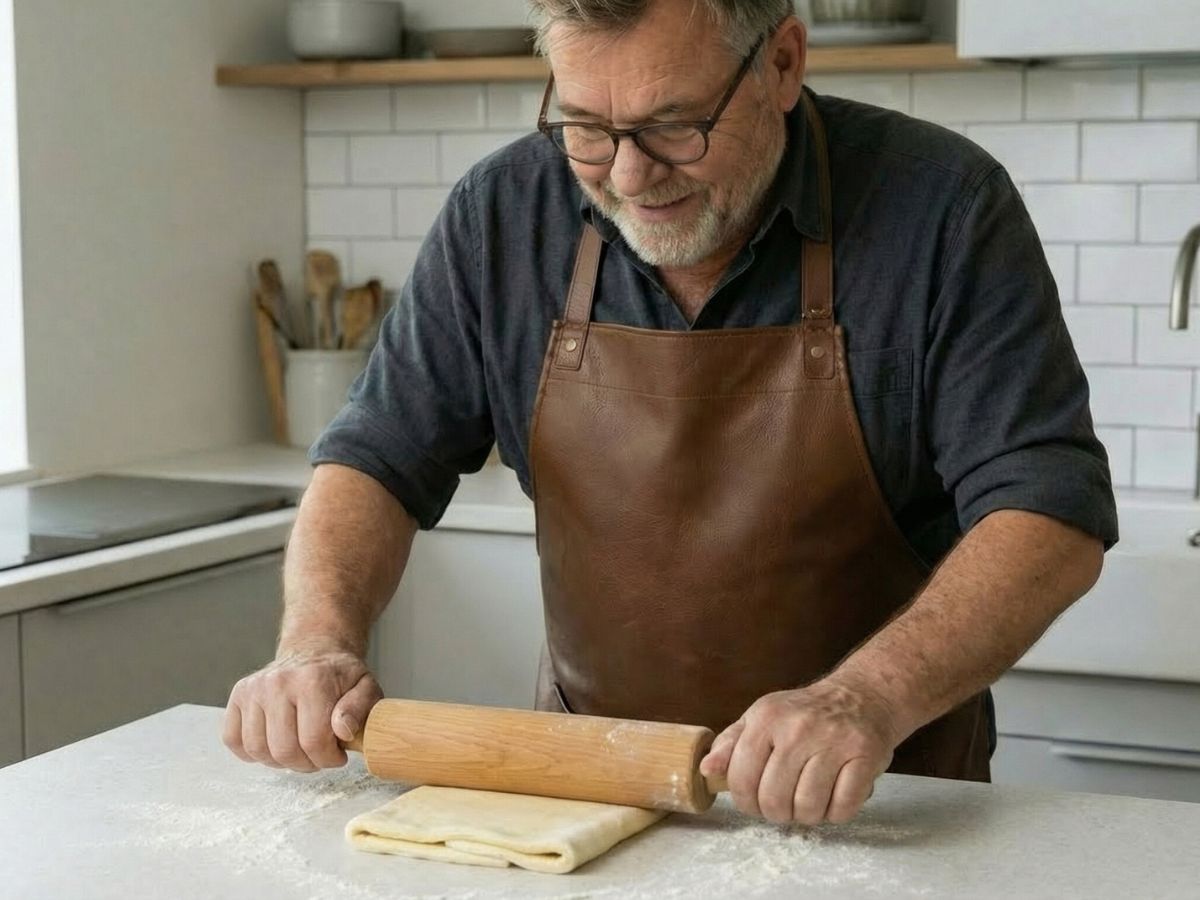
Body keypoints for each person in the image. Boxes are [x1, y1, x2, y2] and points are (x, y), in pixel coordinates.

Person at [223, 0, 1118, 827]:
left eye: (674, 126)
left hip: (882, 801)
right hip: (593, 795)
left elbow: (1047, 511)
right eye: (584, 128)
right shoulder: (503, 216)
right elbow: (375, 458)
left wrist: (866, 700)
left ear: (781, 61)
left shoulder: (943, 207)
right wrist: (314, 643)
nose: (629, 173)